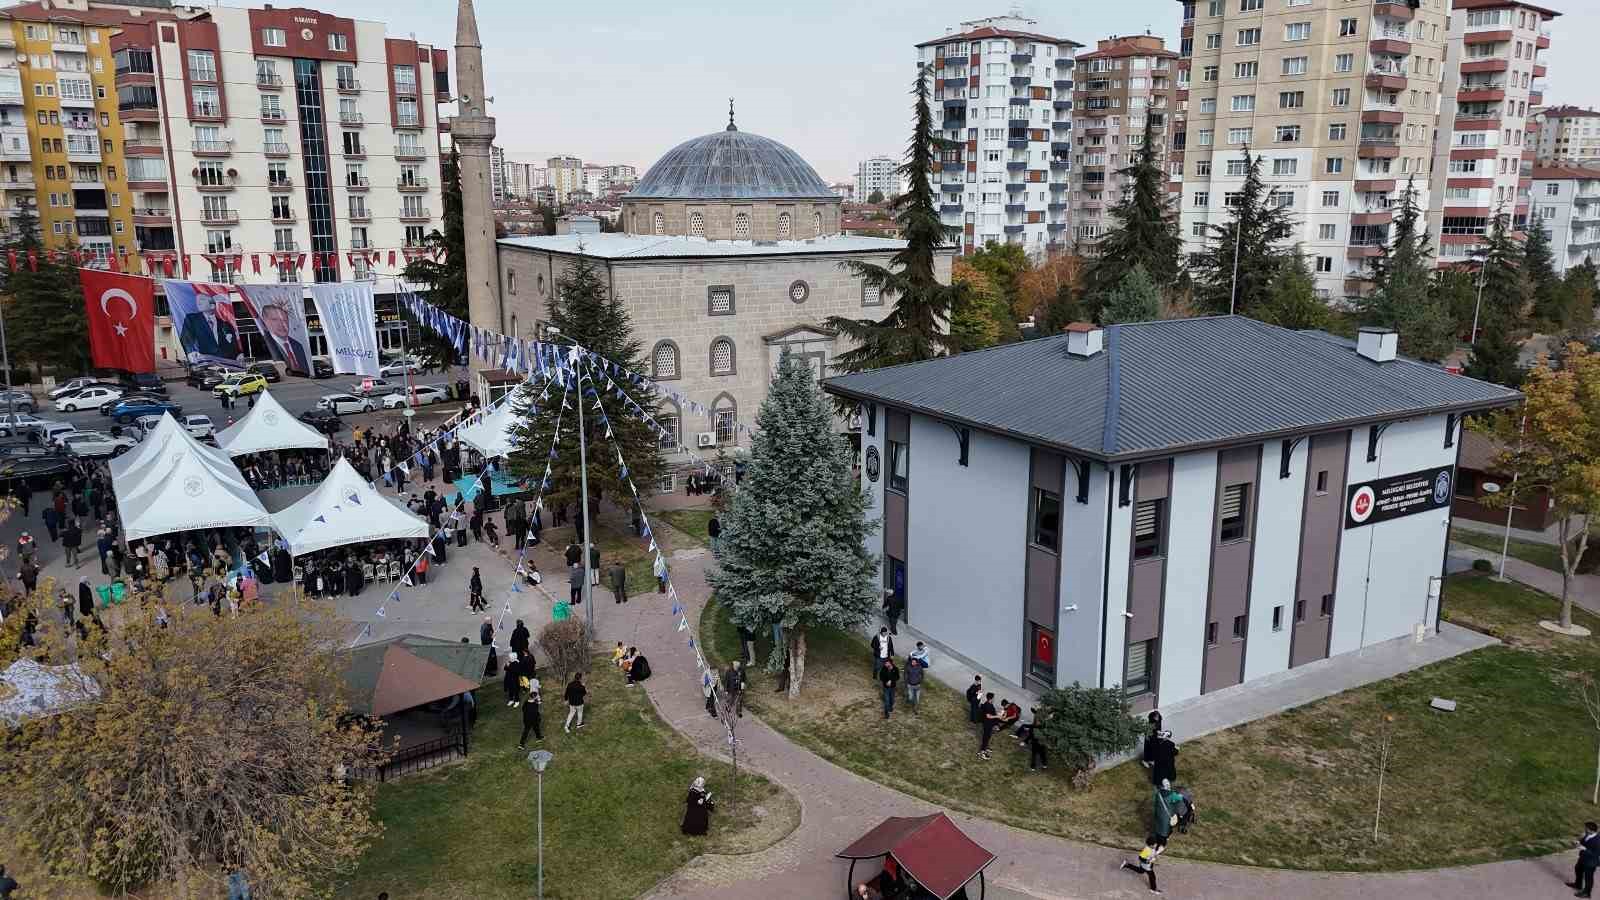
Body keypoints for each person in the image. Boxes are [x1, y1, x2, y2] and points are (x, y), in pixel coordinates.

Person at [1572, 821, 1600, 897]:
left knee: (1588, 877)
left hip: (1591, 862)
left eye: (1586, 828)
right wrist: (1578, 842)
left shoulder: (1598, 840)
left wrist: (1584, 849)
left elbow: (1596, 854)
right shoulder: (1587, 834)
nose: (1585, 829)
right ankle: (1578, 884)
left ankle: (1587, 893)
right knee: (1578, 869)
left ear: (1591, 830)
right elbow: (1583, 842)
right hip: (1583, 858)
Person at [517, 674, 543, 749]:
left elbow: (523, 710)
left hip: (526, 720)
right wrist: (538, 718)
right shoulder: (535, 705)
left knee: (530, 730)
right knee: (534, 728)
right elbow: (536, 713)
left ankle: (522, 744)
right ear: (534, 697)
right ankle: (537, 738)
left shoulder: (525, 703)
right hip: (533, 720)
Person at [978, 692, 1000, 760]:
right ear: (991, 698)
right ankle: (982, 752)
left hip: (989, 724)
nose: (994, 699)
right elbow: (988, 716)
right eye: (993, 698)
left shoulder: (989, 704)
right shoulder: (988, 706)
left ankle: (985, 747)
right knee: (986, 737)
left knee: (988, 736)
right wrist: (997, 716)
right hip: (987, 724)